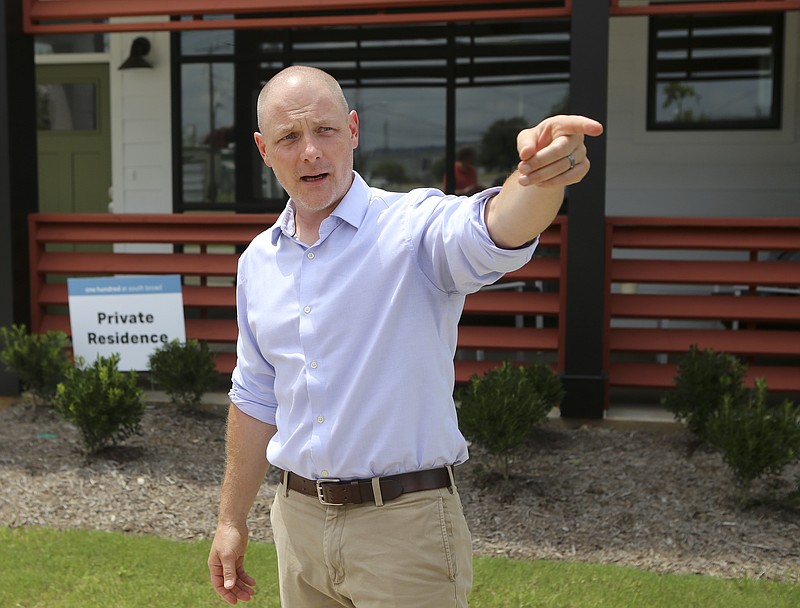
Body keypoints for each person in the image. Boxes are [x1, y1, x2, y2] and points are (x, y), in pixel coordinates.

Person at [208, 65, 603, 607]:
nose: (310, 153)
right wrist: (231, 519)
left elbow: (495, 229)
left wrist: (539, 178)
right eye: (289, 137)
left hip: (404, 529)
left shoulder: (412, 227)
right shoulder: (258, 262)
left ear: (353, 129)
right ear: (262, 149)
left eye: (324, 130)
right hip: (297, 525)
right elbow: (255, 395)